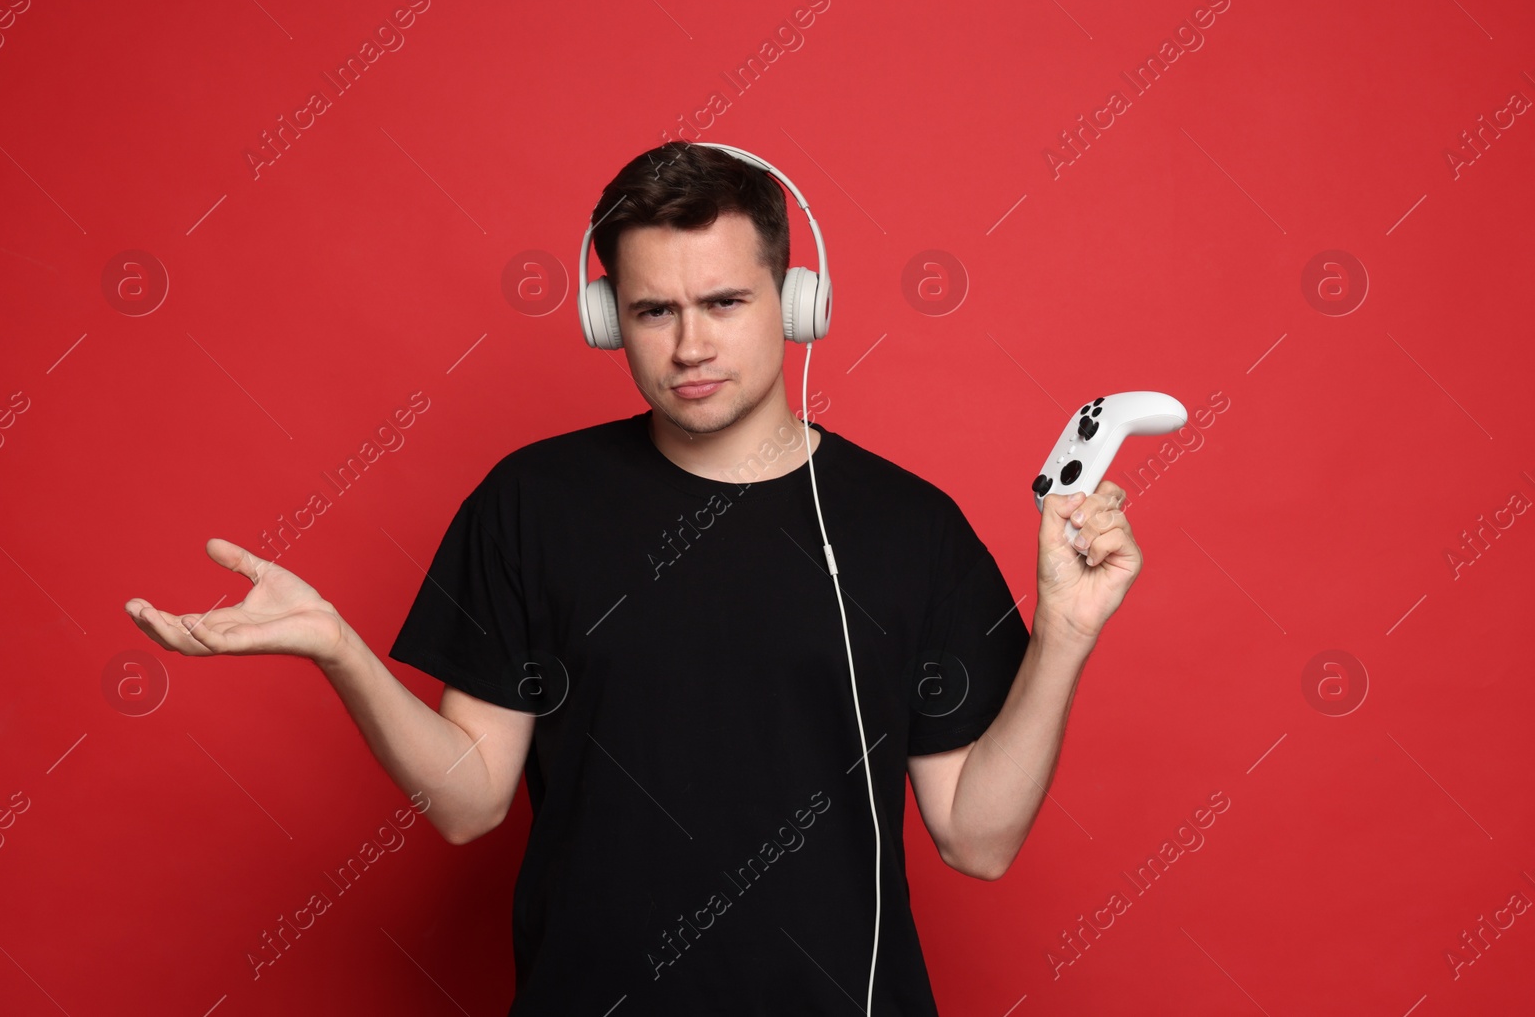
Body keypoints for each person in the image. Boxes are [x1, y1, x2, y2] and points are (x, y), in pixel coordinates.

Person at [124, 141, 1143, 1015]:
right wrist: (337, 647)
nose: (690, 344)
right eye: (653, 310)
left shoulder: (906, 525)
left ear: (795, 303)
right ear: (607, 316)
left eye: (724, 301)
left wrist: (1062, 634)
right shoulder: (531, 503)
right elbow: (469, 800)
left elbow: (979, 836)